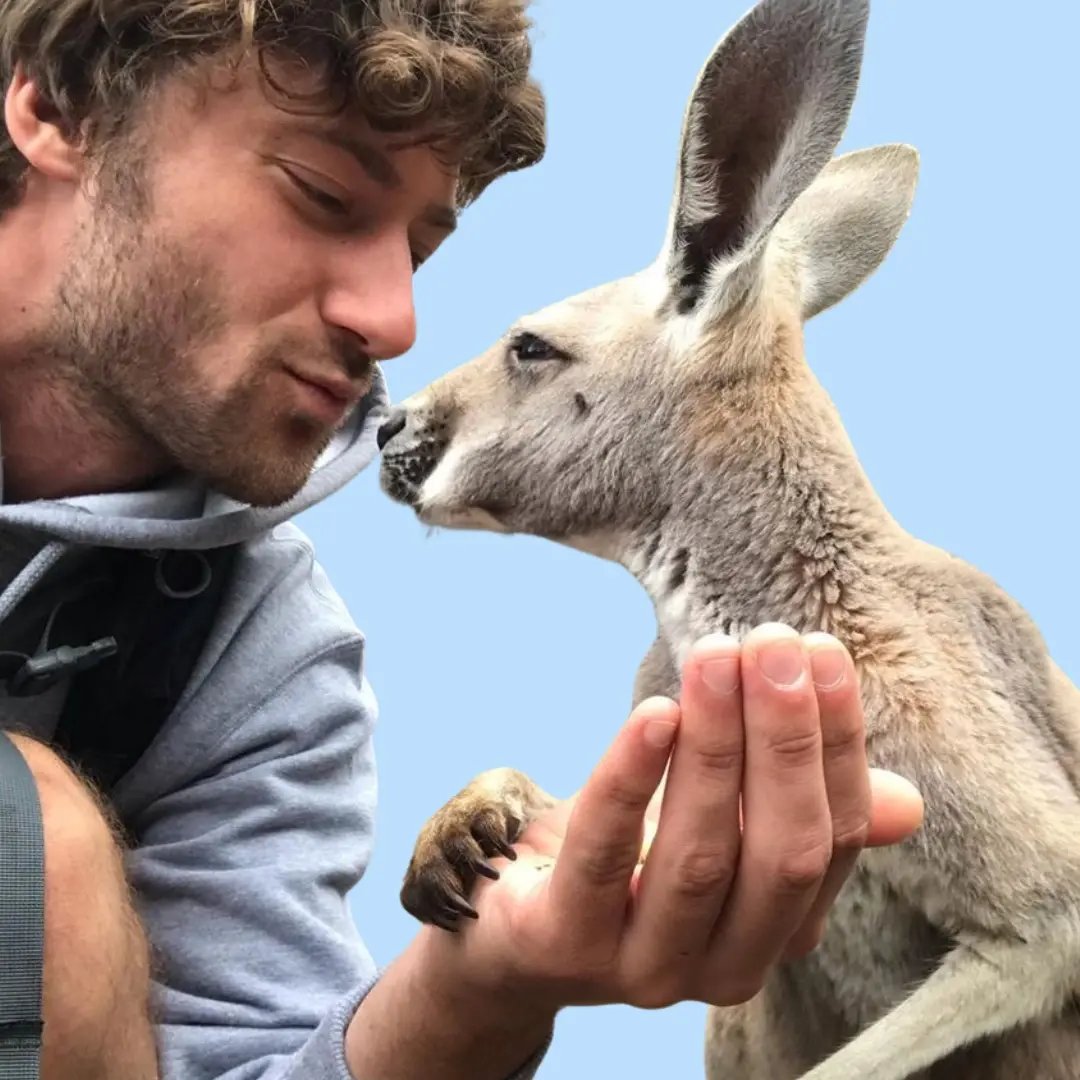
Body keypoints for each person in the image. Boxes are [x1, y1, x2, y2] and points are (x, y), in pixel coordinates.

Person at [0, 2, 924, 1078]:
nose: (395, 320)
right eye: (324, 196)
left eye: (419, 247)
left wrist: (480, 985)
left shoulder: (249, 655)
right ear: (54, 109)